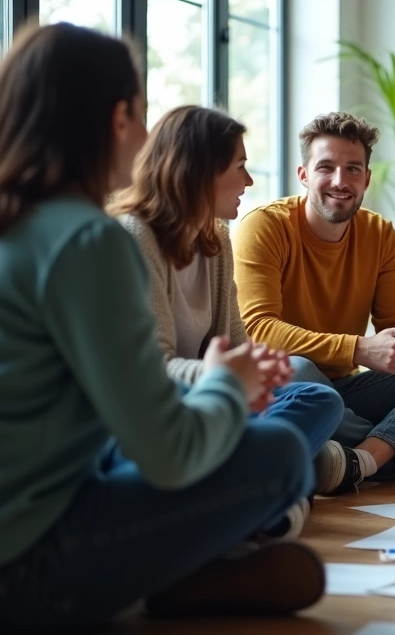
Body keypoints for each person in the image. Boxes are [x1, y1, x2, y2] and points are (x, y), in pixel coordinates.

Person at [0, 23, 322, 632]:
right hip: (27, 564)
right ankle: (172, 574)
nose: (146, 137)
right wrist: (224, 384)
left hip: (45, 500)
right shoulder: (90, 240)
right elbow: (170, 454)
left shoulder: (22, 224)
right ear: (118, 118)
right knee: (279, 454)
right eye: (142, 115)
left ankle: (180, 569)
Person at [233, 111, 395, 495]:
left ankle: (361, 461)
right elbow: (258, 333)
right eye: (326, 167)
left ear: (366, 179)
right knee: (296, 367)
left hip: (347, 392)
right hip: (287, 391)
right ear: (304, 175)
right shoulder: (264, 227)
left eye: (353, 169)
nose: (340, 181)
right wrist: (361, 348)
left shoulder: (379, 234)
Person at [108, 105, 345, 514]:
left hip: (213, 400)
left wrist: (257, 368)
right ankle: (271, 481)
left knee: (320, 399)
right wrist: (221, 375)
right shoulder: (136, 235)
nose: (249, 181)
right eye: (240, 166)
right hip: (166, 407)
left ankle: (262, 481)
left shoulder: (215, 239)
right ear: (199, 171)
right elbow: (150, 370)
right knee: (288, 438)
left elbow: (235, 342)